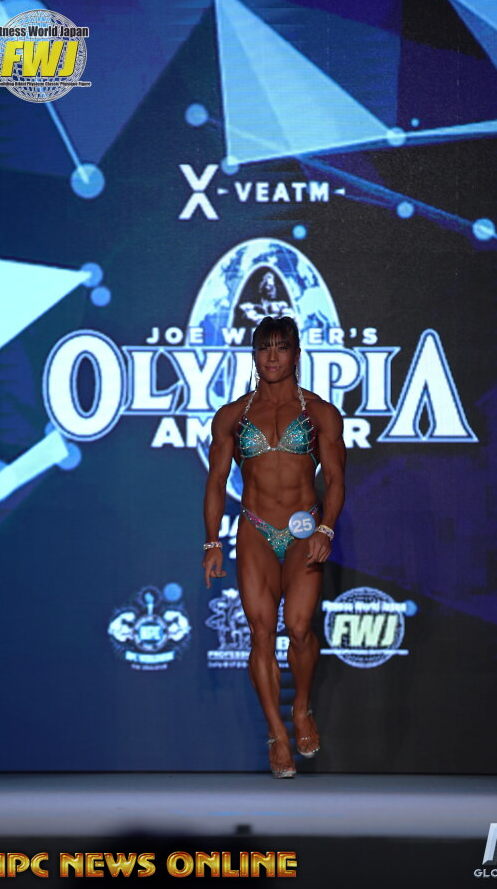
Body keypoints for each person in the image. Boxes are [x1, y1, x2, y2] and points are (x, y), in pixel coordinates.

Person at [202, 315, 346, 777]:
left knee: (300, 628)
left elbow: (336, 478)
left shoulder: (321, 413)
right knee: (261, 633)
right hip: (255, 530)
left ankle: (301, 707)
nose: (272, 357)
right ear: (253, 354)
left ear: (296, 354)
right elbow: (215, 482)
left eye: (281, 347)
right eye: (264, 348)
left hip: (304, 531)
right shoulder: (232, 416)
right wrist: (211, 542)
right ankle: (277, 735)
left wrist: (326, 529)